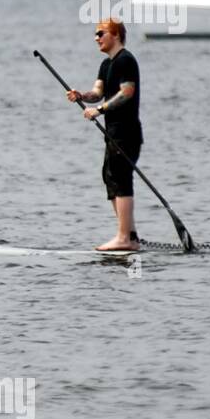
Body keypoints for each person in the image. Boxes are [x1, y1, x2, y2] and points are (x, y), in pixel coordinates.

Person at [66, 17, 142, 251]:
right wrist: (82, 96)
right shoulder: (106, 65)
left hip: (127, 132)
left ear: (116, 35)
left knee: (121, 179)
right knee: (111, 179)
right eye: (95, 34)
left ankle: (124, 239)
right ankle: (130, 236)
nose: (96, 37)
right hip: (112, 132)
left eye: (101, 33)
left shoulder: (126, 60)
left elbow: (127, 92)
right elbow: (98, 92)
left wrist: (98, 111)